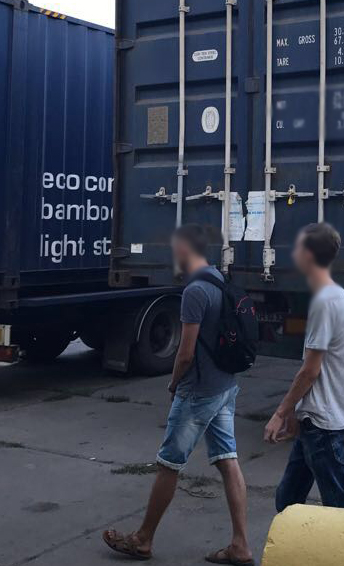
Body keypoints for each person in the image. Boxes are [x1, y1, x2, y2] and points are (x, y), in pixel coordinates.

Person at [103, 224, 254, 566]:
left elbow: (185, 353)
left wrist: (173, 385)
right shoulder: (218, 279)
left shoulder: (195, 291)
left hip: (198, 392)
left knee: (169, 463)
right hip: (225, 387)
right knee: (228, 460)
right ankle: (241, 545)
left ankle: (142, 540)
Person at [264, 222, 344, 512]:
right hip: (317, 418)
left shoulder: (325, 302)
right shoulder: (335, 295)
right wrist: (298, 412)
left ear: (308, 255)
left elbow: (310, 371)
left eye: (297, 247)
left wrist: (280, 413)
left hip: (324, 424)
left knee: (339, 509)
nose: (293, 253)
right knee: (287, 501)